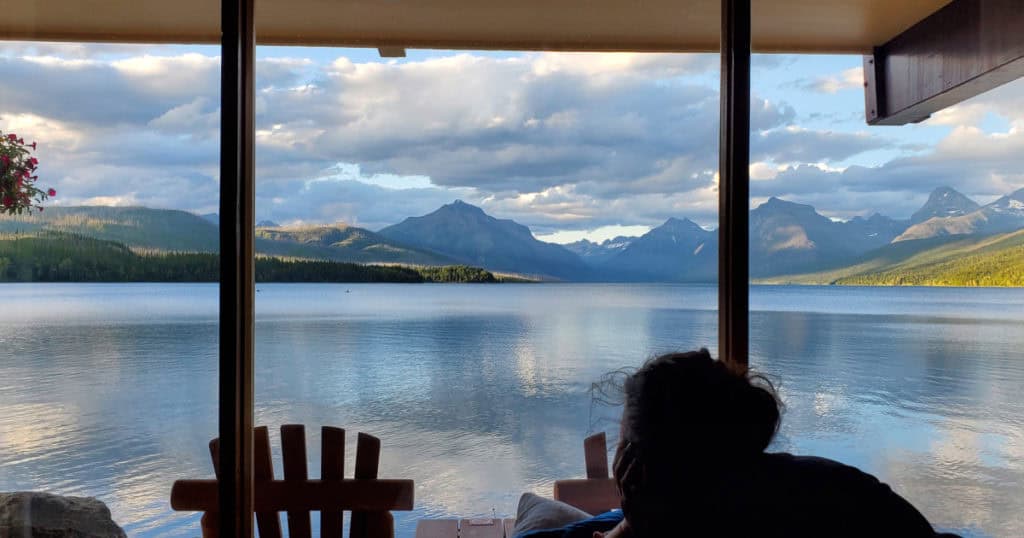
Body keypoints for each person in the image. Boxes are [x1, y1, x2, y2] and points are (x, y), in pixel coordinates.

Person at [519, 349, 958, 537]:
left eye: (622, 439)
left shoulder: (654, 515)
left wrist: (634, 523)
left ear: (637, 469)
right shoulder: (839, 493)